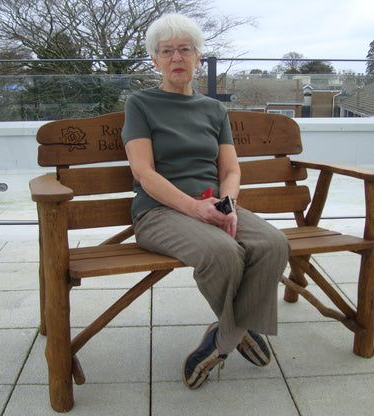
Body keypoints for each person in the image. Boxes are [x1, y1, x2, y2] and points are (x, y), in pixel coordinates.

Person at [122, 13, 290, 390]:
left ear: (199, 58)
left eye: (185, 49)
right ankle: (239, 332)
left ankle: (223, 339)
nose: (176, 58)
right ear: (155, 60)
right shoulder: (141, 104)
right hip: (158, 211)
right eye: (166, 51)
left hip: (213, 204)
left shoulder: (214, 110)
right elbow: (144, 173)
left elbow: (231, 171)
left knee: (274, 244)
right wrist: (196, 208)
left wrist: (226, 205)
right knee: (223, 252)